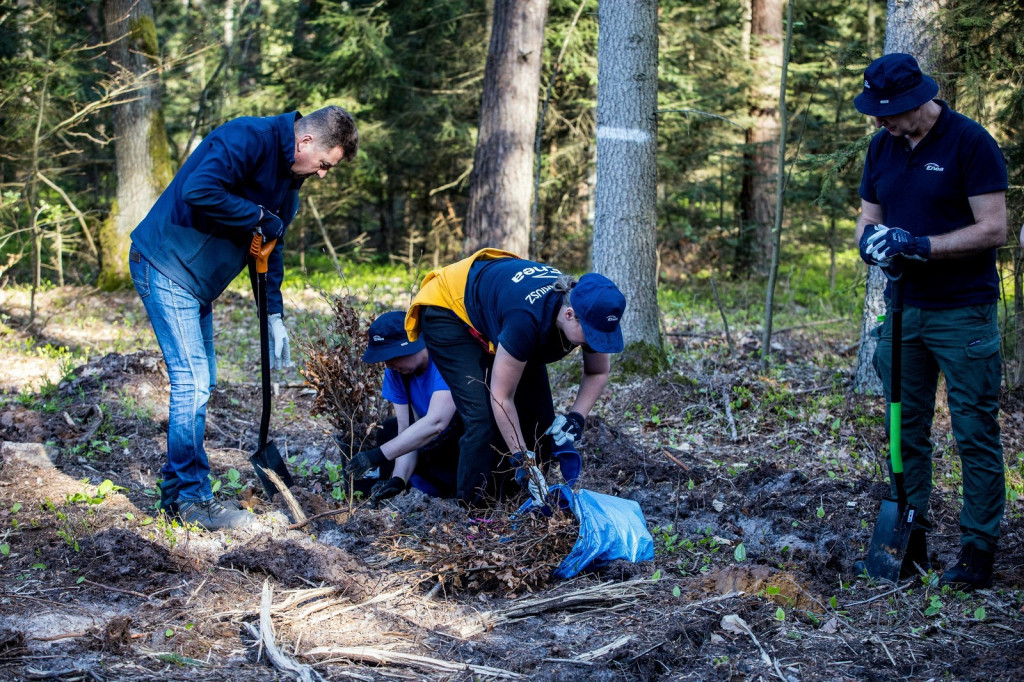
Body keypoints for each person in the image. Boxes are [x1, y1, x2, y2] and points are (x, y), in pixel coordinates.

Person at [129, 106, 359, 530]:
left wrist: (273, 314)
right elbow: (199, 189)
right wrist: (256, 216)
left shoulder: (290, 185)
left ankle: (173, 496)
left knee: (203, 381)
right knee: (192, 382)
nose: (324, 174)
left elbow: (271, 247)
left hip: (196, 282)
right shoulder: (246, 138)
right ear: (306, 141)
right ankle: (192, 501)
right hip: (164, 263)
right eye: (325, 164)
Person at [853, 53, 1007, 589]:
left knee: (972, 430)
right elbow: (869, 216)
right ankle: (909, 539)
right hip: (904, 312)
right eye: (876, 112)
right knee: (904, 427)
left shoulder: (970, 142)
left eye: (889, 112)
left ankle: (977, 549)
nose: (880, 121)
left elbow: (993, 230)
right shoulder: (882, 146)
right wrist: (872, 243)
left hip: (963, 312)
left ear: (920, 100)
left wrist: (920, 245)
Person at [405, 249, 623, 506]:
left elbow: (597, 371)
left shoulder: (591, 313)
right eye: (592, 335)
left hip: (502, 304)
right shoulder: (526, 321)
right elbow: (501, 397)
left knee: (541, 421)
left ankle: (522, 499)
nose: (596, 343)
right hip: (449, 309)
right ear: (569, 315)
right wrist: (522, 459)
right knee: (483, 418)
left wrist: (576, 418)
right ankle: (473, 511)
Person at [342, 311, 463, 504]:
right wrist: (398, 480)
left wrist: (376, 456)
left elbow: (437, 422)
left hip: (459, 441)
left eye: (392, 356)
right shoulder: (396, 373)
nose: (389, 364)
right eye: (384, 358)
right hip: (432, 444)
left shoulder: (443, 359)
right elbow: (406, 432)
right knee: (388, 431)